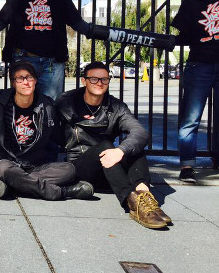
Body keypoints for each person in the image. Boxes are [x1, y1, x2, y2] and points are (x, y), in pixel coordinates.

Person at [56, 61, 171, 229]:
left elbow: (140, 133)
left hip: (110, 171)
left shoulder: (116, 107)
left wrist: (121, 151)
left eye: (104, 79)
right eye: (94, 79)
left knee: (132, 147)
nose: (100, 83)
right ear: (84, 81)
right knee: (106, 145)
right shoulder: (67, 101)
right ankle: (131, 203)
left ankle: (145, 197)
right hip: (81, 169)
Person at [0, 0, 92, 100]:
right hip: (23, 58)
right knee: (22, 101)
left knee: (50, 104)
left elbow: (77, 23)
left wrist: (101, 32)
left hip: (52, 62)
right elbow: (0, 22)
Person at [0, 61, 93, 201]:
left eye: (29, 77)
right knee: (5, 169)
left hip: (34, 166)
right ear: (13, 82)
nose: (25, 82)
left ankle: (13, 185)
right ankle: (62, 192)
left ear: (35, 80)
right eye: (20, 78)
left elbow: (57, 136)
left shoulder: (47, 106)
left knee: (69, 170)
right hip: (6, 162)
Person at [171, 0, 219, 184]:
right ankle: (187, 165)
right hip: (199, 64)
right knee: (190, 118)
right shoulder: (192, 3)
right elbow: (182, 35)